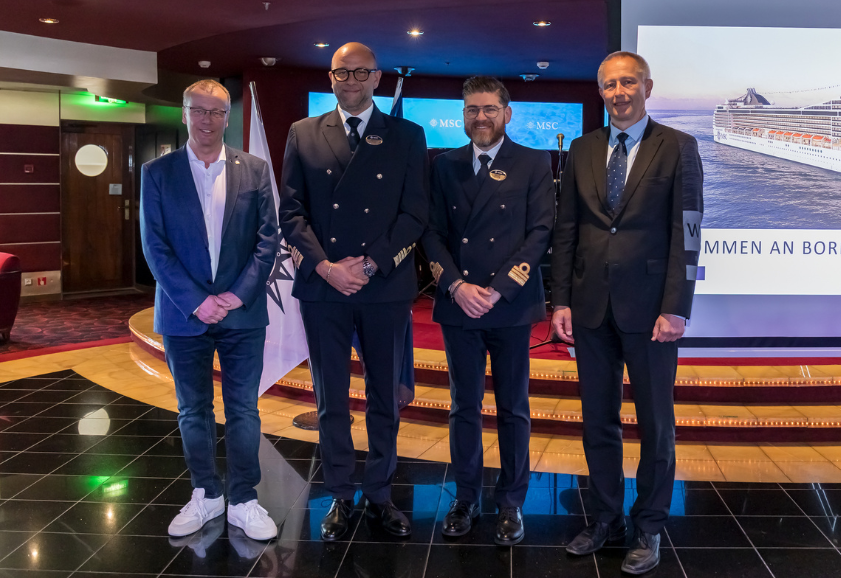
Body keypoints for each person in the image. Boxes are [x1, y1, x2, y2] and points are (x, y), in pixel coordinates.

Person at [550, 51, 704, 574]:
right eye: (611, 85)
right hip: (590, 307)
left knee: (656, 424)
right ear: (601, 92)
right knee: (599, 421)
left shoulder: (678, 146)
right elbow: (567, 229)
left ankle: (650, 526)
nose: (620, 93)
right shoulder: (582, 148)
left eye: (629, 83)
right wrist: (561, 300)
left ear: (647, 87)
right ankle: (606, 519)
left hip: (653, 312)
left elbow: (688, 230)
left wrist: (677, 307)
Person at [278, 42, 429, 541]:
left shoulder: (408, 135)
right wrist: (325, 267)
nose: (352, 80)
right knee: (331, 399)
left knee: (385, 396)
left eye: (361, 72)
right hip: (324, 288)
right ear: (330, 77)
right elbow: (291, 212)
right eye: (343, 72)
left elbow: (415, 214)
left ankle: (380, 494)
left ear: (377, 77)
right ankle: (341, 494)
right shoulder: (303, 132)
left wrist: (367, 263)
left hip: (383, 285)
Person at [140, 80, 279, 540]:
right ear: (184, 113)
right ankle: (206, 494)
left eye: (215, 111)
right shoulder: (157, 173)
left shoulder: (254, 169)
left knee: (244, 410)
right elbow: (155, 246)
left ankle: (243, 499)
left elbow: (268, 239)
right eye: (197, 110)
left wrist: (237, 295)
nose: (206, 119)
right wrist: (197, 301)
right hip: (183, 315)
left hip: (243, 314)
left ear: (226, 117)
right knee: (192, 410)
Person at [422, 76, 554, 546]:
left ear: (507, 113)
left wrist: (498, 289)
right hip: (459, 304)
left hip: (509, 304)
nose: (481, 117)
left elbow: (540, 232)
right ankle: (465, 498)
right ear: (463, 115)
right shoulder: (444, 165)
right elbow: (431, 232)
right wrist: (456, 286)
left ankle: (511, 502)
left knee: (513, 408)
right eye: (472, 109)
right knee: (464, 407)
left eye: (490, 109)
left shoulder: (533, 162)